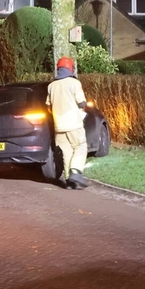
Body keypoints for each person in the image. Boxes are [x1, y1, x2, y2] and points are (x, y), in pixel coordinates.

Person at [46, 56, 90, 190]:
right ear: (71, 68)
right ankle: (76, 172)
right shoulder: (74, 83)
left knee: (66, 152)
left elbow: (48, 106)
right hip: (74, 124)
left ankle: (69, 181)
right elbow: (81, 103)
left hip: (59, 126)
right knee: (81, 146)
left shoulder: (51, 86)